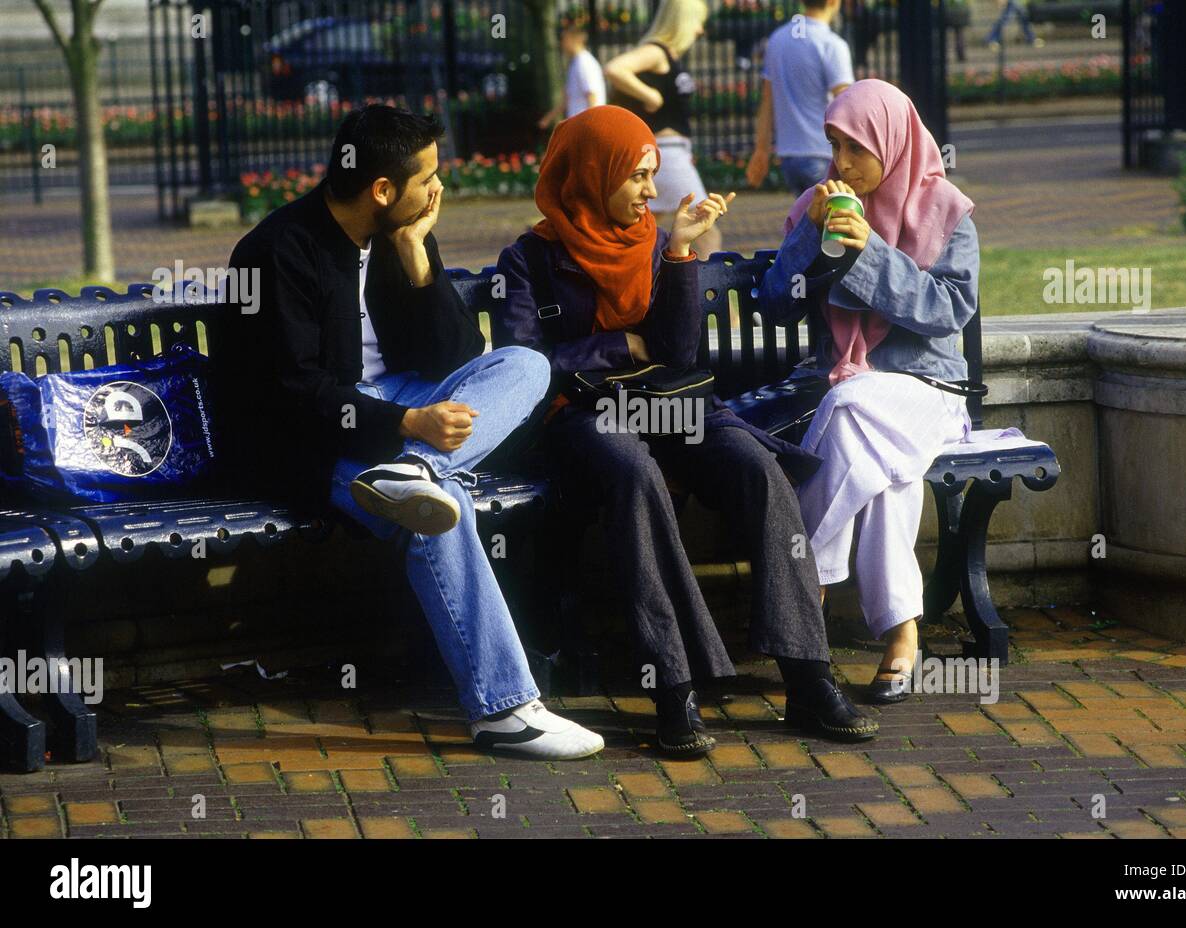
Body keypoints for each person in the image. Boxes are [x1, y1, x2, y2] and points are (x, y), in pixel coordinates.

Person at [218, 105, 604, 759]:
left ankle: (416, 470)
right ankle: (505, 710)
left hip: (398, 414)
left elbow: (454, 362)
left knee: (524, 365)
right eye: (427, 177)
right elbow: (293, 398)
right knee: (439, 513)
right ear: (381, 189)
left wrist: (416, 257)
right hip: (311, 444)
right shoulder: (277, 253)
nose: (438, 192)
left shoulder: (398, 231)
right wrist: (404, 422)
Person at [494, 105, 877, 757]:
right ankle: (672, 688)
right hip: (582, 418)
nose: (650, 191)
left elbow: (676, 352)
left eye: (652, 175)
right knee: (635, 476)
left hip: (672, 405)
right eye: (638, 176)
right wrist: (621, 345)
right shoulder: (528, 259)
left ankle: (808, 676)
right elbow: (525, 364)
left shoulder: (650, 239)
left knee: (755, 469)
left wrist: (678, 253)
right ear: (592, 173)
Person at [757, 80, 978, 705]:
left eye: (857, 148)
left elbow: (949, 311)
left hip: (927, 392)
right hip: (852, 403)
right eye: (834, 146)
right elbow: (775, 304)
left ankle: (804, 593)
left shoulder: (947, 212)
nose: (842, 164)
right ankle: (902, 635)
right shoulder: (817, 205)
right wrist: (811, 236)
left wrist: (870, 255)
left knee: (852, 405)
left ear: (892, 141)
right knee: (883, 475)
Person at [602, 0, 721, 259]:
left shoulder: (668, 56)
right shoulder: (656, 51)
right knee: (705, 230)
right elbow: (614, 68)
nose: (700, 30)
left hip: (668, 154)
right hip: (665, 154)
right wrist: (650, 95)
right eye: (698, 22)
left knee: (635, 229)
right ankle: (702, 295)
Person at [746, 0, 854, 195]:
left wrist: (761, 150)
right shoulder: (832, 44)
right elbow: (846, 103)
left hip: (789, 155)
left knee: (808, 221)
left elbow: (767, 101)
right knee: (834, 222)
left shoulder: (777, 39)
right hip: (824, 152)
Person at [537, 22, 606, 130]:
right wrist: (548, 118)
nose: (561, 43)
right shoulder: (575, 63)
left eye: (564, 39)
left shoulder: (584, 63)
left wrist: (593, 127)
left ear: (573, 39)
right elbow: (567, 99)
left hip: (585, 127)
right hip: (579, 127)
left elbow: (592, 95)